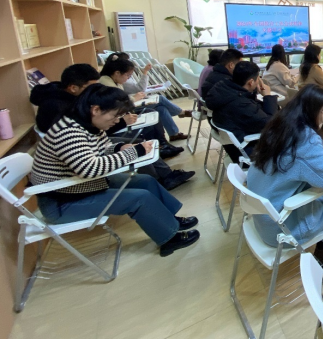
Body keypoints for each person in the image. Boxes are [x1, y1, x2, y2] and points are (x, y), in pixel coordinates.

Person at [31, 85, 201, 257]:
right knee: (140, 198)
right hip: (62, 203)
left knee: (146, 181)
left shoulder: (86, 124)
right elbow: (90, 169)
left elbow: (102, 148)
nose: (117, 120)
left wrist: (120, 147)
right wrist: (134, 152)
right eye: (115, 116)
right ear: (96, 110)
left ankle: (169, 220)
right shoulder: (68, 132)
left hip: (79, 187)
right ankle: (169, 239)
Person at [247, 84, 323, 272]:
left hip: (262, 217)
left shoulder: (280, 124)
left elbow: (297, 158)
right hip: (280, 229)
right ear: (314, 112)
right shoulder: (307, 140)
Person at [31, 64, 194, 191]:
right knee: (137, 143)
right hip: (77, 166)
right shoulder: (59, 110)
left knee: (149, 123)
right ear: (74, 88)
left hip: (91, 145)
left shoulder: (72, 101)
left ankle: (163, 166)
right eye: (91, 88)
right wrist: (122, 123)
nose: (95, 92)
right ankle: (161, 178)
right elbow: (88, 140)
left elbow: (96, 131)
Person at [100, 56, 190, 143]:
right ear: (117, 73)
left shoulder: (115, 80)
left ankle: (171, 136)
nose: (128, 78)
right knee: (160, 99)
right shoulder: (107, 83)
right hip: (124, 113)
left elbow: (123, 98)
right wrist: (134, 97)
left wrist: (134, 97)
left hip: (127, 108)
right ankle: (181, 113)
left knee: (161, 108)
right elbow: (121, 101)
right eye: (128, 75)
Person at [205, 61, 279, 162]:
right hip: (250, 151)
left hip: (234, 147)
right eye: (258, 79)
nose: (259, 81)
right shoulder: (240, 104)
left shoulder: (225, 89)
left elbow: (255, 112)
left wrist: (253, 92)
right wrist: (268, 96)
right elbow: (270, 124)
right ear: (251, 82)